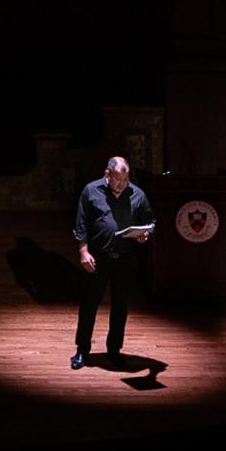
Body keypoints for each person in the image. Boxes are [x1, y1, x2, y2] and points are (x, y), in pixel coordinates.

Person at [71, 156, 154, 370]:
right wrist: (83, 251)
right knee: (89, 305)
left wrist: (144, 234)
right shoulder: (91, 191)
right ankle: (82, 350)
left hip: (125, 259)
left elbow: (149, 221)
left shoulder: (138, 194)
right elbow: (81, 224)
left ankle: (114, 351)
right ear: (107, 174)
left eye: (125, 180)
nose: (122, 184)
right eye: (118, 180)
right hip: (98, 258)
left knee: (120, 307)